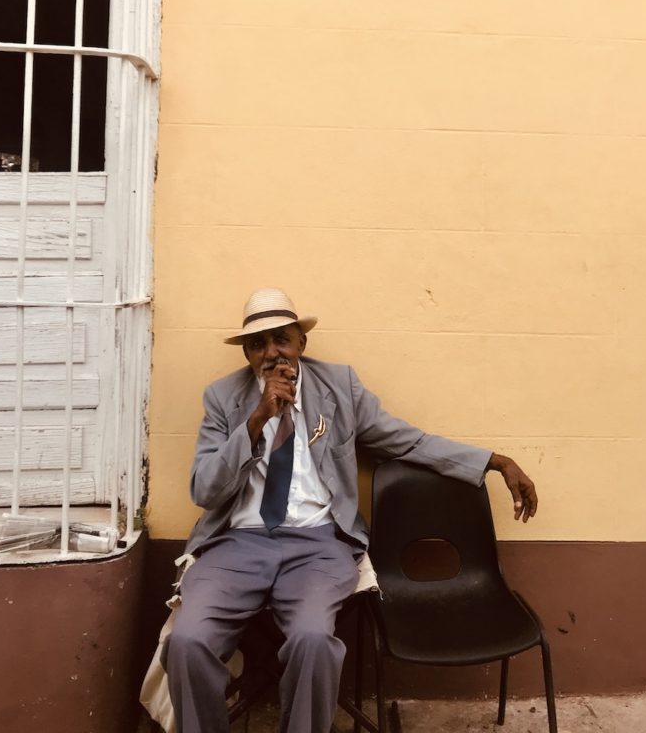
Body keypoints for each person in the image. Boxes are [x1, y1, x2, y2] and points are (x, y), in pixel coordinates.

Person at [165, 288, 537, 733]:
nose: (271, 353)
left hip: (318, 544)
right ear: (246, 352)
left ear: (301, 342)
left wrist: (494, 462)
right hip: (237, 544)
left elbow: (408, 441)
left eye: (281, 339)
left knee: (314, 641)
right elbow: (204, 489)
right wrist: (257, 421)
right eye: (257, 344)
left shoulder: (339, 386)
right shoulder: (222, 398)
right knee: (187, 642)